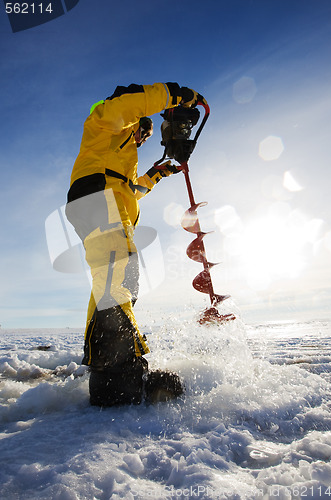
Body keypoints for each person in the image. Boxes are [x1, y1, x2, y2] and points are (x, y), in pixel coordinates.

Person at [65, 82, 204, 406]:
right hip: (98, 198)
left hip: (106, 201)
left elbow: (130, 190)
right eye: (145, 130)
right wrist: (173, 95)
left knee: (109, 281)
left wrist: (157, 174)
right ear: (136, 122)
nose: (144, 139)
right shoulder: (105, 120)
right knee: (119, 276)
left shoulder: (120, 159)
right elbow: (127, 105)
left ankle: (104, 371)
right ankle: (118, 379)